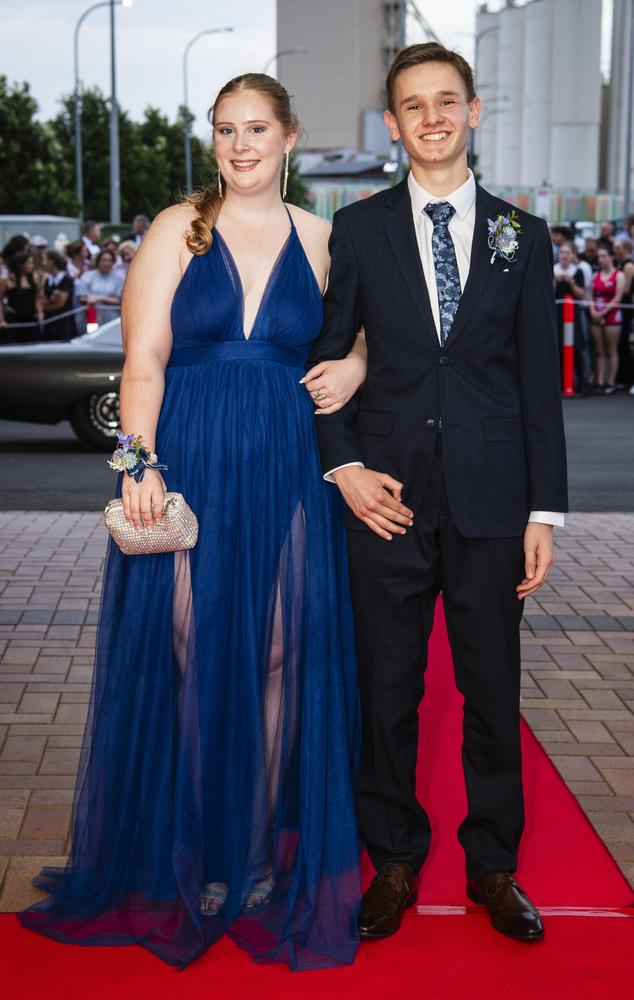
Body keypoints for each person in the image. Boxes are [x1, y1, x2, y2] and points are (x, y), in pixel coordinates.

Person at [19, 73, 365, 971]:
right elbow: (143, 363)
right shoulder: (180, 228)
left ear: (291, 136)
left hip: (289, 468)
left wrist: (357, 366)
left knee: (280, 658)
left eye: (257, 128)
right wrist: (139, 464)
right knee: (196, 657)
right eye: (224, 129)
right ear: (211, 140)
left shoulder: (326, 240)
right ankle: (200, 852)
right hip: (192, 467)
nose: (241, 144)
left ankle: (249, 856)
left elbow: (359, 338)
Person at [308, 42, 567, 945]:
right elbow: (330, 359)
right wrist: (343, 467)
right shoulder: (360, 228)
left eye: (445, 101)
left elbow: (541, 382)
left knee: (493, 691)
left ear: (473, 110)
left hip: (495, 501)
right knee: (387, 689)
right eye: (412, 105)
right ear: (392, 124)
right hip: (388, 497)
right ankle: (394, 860)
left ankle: (495, 866)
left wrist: (546, 512)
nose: (431, 118)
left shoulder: (522, 236)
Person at [589, 243, 626, 394]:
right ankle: (600, 381)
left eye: (604, 256)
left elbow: (618, 298)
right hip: (596, 316)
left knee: (611, 349)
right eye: (599, 256)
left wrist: (602, 313)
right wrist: (593, 312)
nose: (601, 259)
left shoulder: (619, 275)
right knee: (599, 350)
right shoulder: (595, 275)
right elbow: (590, 296)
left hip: (612, 315)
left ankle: (611, 382)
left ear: (610, 257)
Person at [554, 241, 590, 392]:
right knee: (557, 346)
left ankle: (582, 382)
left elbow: (581, 294)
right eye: (562, 252)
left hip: (573, 314)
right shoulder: (553, 269)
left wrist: (572, 281)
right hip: (556, 313)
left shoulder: (578, 271)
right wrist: (556, 280)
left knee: (577, 346)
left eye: (567, 253)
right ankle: (559, 383)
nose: (564, 256)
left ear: (572, 255)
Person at [0, 250, 42, 343]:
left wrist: (40, 313)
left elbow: (36, 298)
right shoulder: (7, 279)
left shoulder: (34, 278)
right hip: (14, 319)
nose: (32, 266)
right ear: (21, 264)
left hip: (31, 318)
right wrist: (1, 320)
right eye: (29, 263)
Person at [76, 248, 124, 326]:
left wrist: (98, 298)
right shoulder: (87, 276)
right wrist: (87, 298)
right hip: (91, 318)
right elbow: (81, 296)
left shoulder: (118, 279)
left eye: (110, 260)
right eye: (104, 260)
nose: (107, 263)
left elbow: (120, 300)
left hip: (112, 319)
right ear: (98, 261)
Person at [40, 250, 77, 341]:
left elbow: (60, 303)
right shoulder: (48, 280)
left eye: (44, 260)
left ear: (51, 262)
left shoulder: (66, 279)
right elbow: (42, 299)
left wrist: (44, 307)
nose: (42, 263)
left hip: (63, 322)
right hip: (50, 322)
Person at [613, 236, 634, 389]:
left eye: (619, 248)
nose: (616, 251)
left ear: (626, 249)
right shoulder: (620, 264)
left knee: (624, 341)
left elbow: (626, 289)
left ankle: (626, 378)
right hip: (621, 304)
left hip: (626, 305)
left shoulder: (628, 266)